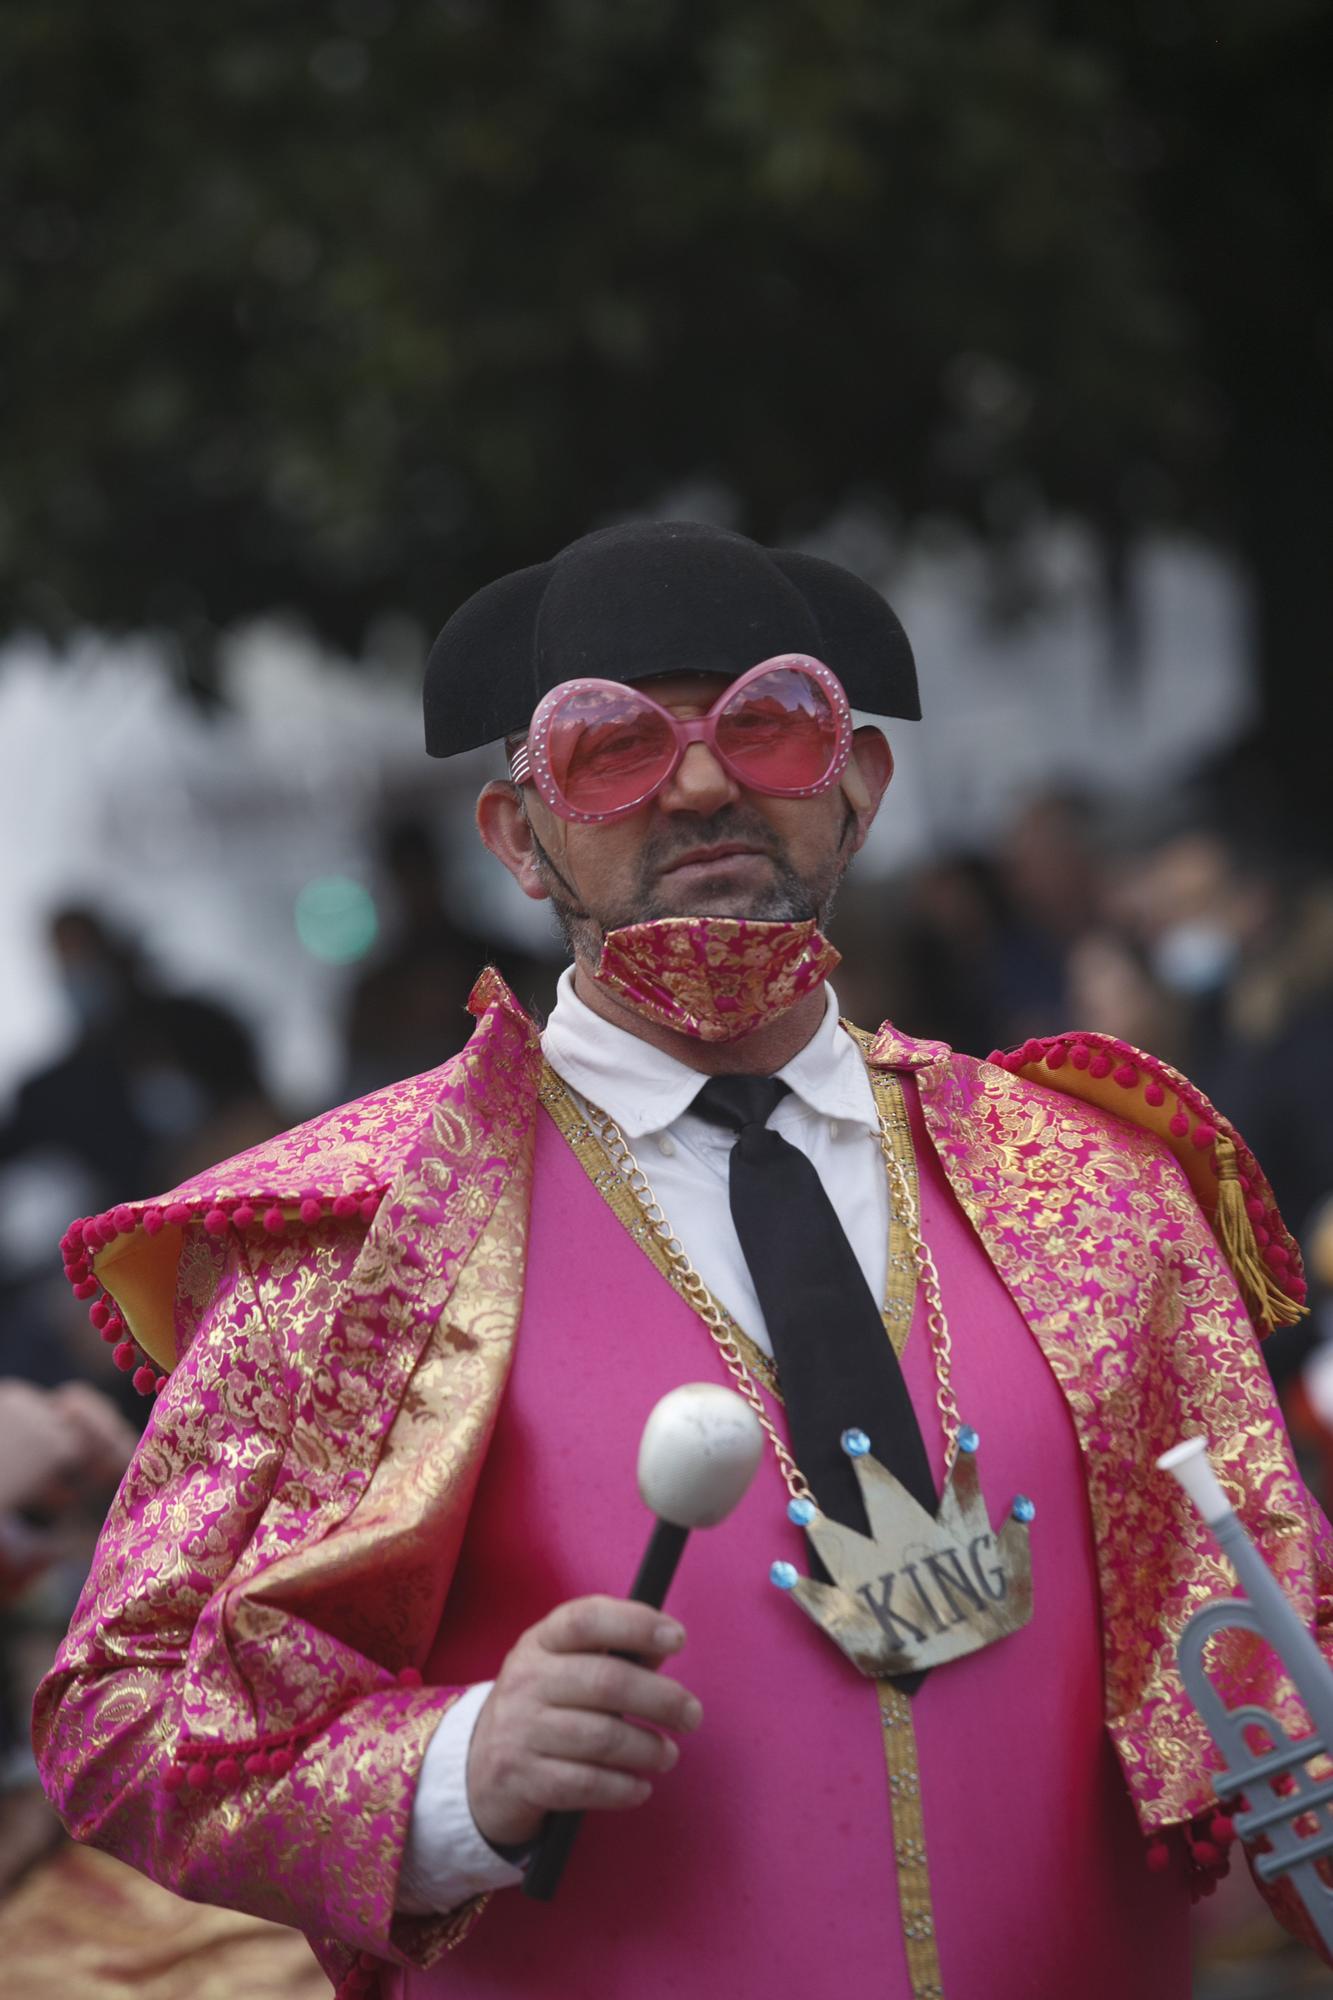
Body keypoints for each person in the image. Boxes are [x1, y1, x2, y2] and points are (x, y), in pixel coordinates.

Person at [31, 522, 1326, 2000]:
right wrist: (454, 1771)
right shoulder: (350, 1240)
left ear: (859, 788)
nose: (703, 783)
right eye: (612, 749)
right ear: (518, 836)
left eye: (765, 728)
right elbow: (123, 1716)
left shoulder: (1095, 1188)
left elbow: (1286, 1639)